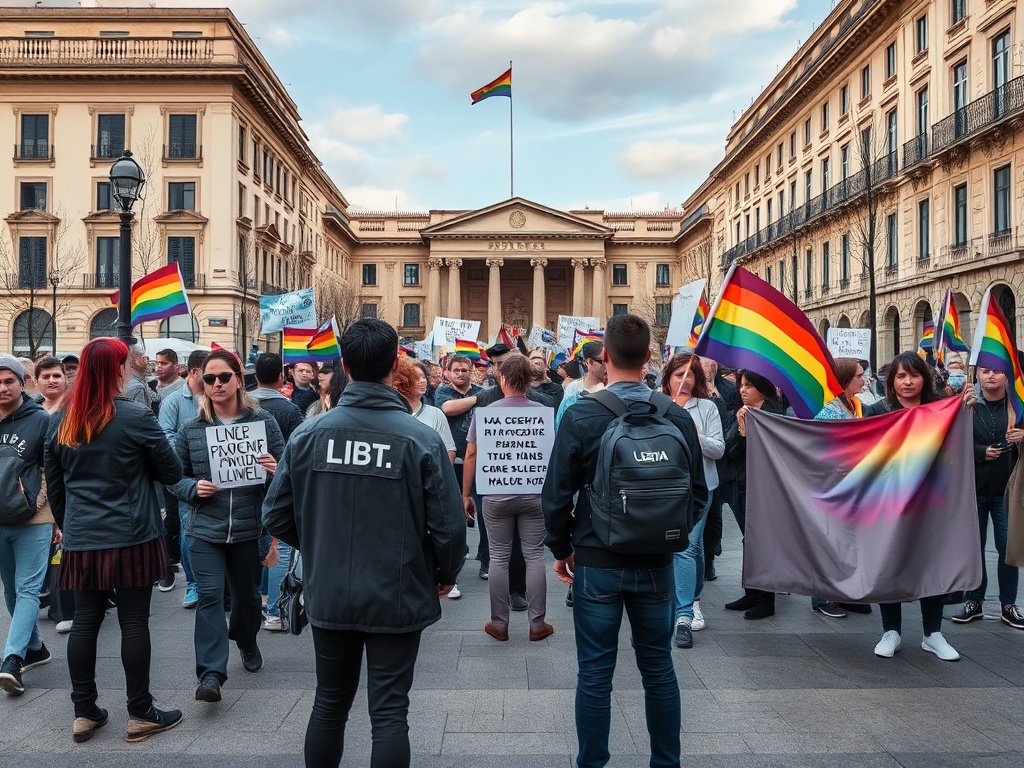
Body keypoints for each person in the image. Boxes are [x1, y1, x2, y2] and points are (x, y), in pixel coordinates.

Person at [263, 318, 466, 768]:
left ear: (345, 365)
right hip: (398, 588)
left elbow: (275, 513)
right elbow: (450, 528)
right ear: (396, 364)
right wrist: (443, 573)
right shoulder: (421, 438)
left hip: (331, 586)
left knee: (329, 704)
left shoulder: (309, 433)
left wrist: (318, 545)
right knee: (390, 712)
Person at [543, 313, 708, 768]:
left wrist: (563, 550)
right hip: (657, 562)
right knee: (658, 669)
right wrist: (668, 534)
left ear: (606, 358)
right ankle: (665, 762)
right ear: (650, 358)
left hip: (597, 558)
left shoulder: (581, 415)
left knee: (595, 673)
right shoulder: (675, 413)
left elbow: (555, 495)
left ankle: (592, 763)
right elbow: (697, 493)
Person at [44, 337, 184, 743]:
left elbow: (56, 489)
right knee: (134, 622)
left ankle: (84, 710)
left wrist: (70, 524)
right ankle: (140, 711)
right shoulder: (136, 416)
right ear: (118, 369)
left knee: (86, 621)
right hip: (132, 534)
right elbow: (171, 472)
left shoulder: (60, 421)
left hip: (83, 535)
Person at [168, 350, 284, 703]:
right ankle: (211, 675)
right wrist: (191, 488)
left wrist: (275, 471)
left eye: (223, 377)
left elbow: (287, 475)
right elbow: (173, 476)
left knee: (248, 599)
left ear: (238, 379)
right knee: (209, 597)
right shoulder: (192, 429)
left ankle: (246, 640)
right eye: (209, 379)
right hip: (205, 529)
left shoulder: (264, 422)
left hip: (250, 530)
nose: (216, 384)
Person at [864, 352, 966, 661]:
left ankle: (932, 634)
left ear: (925, 378)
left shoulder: (941, 411)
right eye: (900, 376)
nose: (908, 382)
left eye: (914, 375)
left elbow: (954, 453)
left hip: (931, 501)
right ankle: (890, 631)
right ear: (891, 382)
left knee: (930, 563)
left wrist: (966, 407)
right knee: (889, 562)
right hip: (887, 500)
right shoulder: (875, 412)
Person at [464, 354, 552, 642]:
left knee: (499, 558)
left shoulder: (485, 412)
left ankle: (499, 624)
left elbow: (472, 454)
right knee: (534, 556)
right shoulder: (543, 411)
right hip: (534, 494)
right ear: (528, 381)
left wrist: (465, 493)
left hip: (496, 494)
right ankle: (537, 624)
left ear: (501, 379)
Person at [952, 366, 1024, 629]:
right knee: (975, 547)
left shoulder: (1018, 406)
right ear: (977, 376)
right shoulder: (968, 406)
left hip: (1008, 493)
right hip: (974, 489)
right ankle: (974, 601)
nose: (990, 376)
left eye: (997, 371)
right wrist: (980, 452)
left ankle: (1008, 605)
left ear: (1008, 376)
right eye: (984, 371)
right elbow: (952, 444)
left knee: (1008, 548)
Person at [0, 356, 55, 697]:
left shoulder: (40, 419)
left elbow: (52, 467)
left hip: (34, 518)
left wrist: (38, 502)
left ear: (23, 383)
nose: (3, 387)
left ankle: (12, 659)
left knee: (28, 588)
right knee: (10, 590)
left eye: (9, 380)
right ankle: (35, 647)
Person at [662, 353, 723, 649]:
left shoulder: (708, 408)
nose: (684, 381)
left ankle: (684, 612)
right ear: (668, 379)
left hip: (701, 488)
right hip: (667, 488)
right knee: (692, 548)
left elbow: (718, 449)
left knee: (685, 547)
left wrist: (694, 435)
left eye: (690, 375)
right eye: (678, 375)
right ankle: (693, 595)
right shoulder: (657, 406)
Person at [809, 358, 873, 618]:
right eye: (859, 375)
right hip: (834, 489)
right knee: (830, 543)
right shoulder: (830, 412)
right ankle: (821, 599)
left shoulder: (854, 406)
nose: (864, 378)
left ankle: (843, 594)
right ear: (846, 380)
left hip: (852, 489)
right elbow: (821, 449)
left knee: (846, 544)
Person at [393, 357, 459, 598]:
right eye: (417, 378)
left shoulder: (435, 414)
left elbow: (449, 449)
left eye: (424, 377)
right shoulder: (393, 413)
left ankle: (443, 573)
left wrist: (438, 475)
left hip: (429, 484)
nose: (423, 382)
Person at [250, 352, 306, 631]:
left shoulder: (242, 405)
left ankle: (257, 602)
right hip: (279, 482)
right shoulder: (290, 409)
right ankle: (274, 610)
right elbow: (298, 451)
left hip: (244, 484)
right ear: (282, 377)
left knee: (254, 542)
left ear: (255, 376)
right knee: (280, 544)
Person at [723, 369, 785, 620]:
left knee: (763, 543)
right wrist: (740, 429)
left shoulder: (774, 415)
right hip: (740, 484)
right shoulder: (740, 412)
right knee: (748, 541)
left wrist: (748, 434)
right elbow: (730, 450)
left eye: (749, 385)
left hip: (765, 489)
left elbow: (771, 454)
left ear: (763, 386)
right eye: (741, 385)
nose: (743, 390)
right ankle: (751, 591)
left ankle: (766, 600)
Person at [158, 349, 209, 609]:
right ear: (194, 371)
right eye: (209, 373)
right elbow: (165, 438)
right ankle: (193, 584)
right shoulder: (173, 401)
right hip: (186, 477)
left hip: (215, 478)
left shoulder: (217, 396)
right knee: (189, 528)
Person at [436, 354, 487, 576]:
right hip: (453, 463)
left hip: (479, 462)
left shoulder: (481, 390)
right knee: (454, 514)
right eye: (456, 370)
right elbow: (448, 409)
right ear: (448, 372)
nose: (460, 374)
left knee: (484, 514)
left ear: (471, 371)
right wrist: (480, 399)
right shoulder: (443, 391)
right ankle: (455, 561)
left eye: (464, 370)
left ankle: (486, 559)